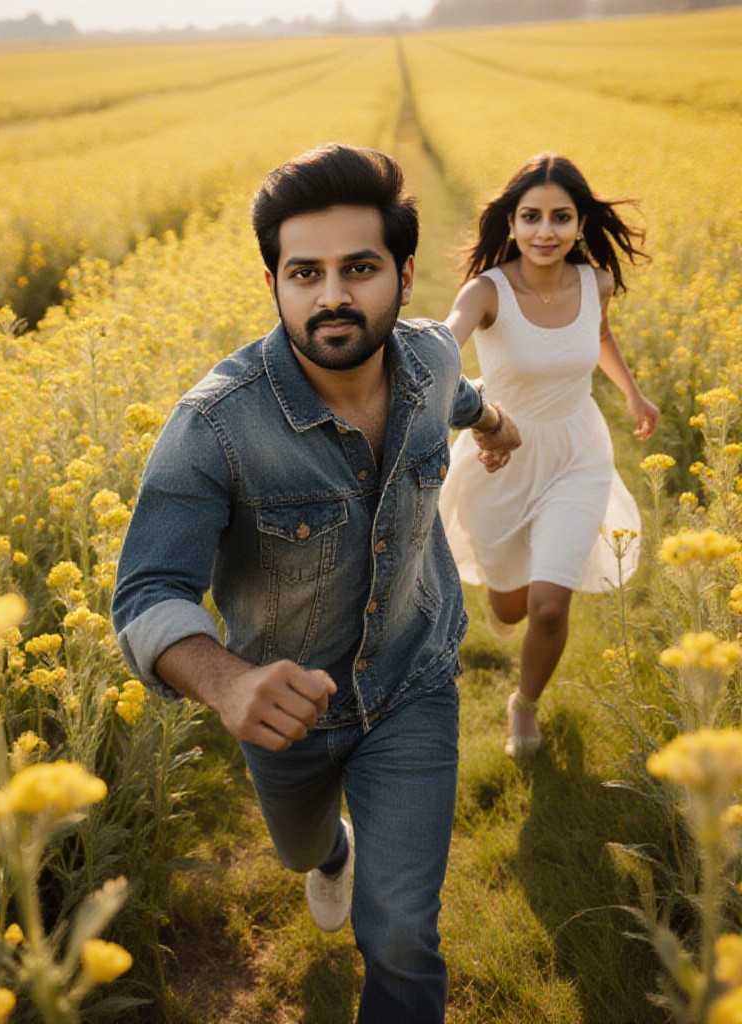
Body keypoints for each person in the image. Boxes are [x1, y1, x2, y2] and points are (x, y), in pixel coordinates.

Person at [111, 143, 520, 1023]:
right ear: (275, 287)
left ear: (404, 277)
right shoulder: (214, 427)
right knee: (300, 854)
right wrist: (227, 680)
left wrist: (496, 422)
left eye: (359, 268)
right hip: (287, 716)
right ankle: (328, 853)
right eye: (306, 273)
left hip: (414, 682)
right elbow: (147, 590)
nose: (333, 295)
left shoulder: (429, 359)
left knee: (404, 933)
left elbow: (457, 393)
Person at [439, 153, 658, 758]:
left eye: (561, 217)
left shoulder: (596, 282)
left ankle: (524, 706)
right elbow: (444, 344)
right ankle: (504, 608)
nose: (545, 231)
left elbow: (601, 335)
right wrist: (446, 384)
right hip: (500, 455)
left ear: (581, 224)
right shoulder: (487, 290)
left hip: (578, 450)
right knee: (507, 604)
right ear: (510, 223)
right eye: (530, 216)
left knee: (549, 606)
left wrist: (634, 394)